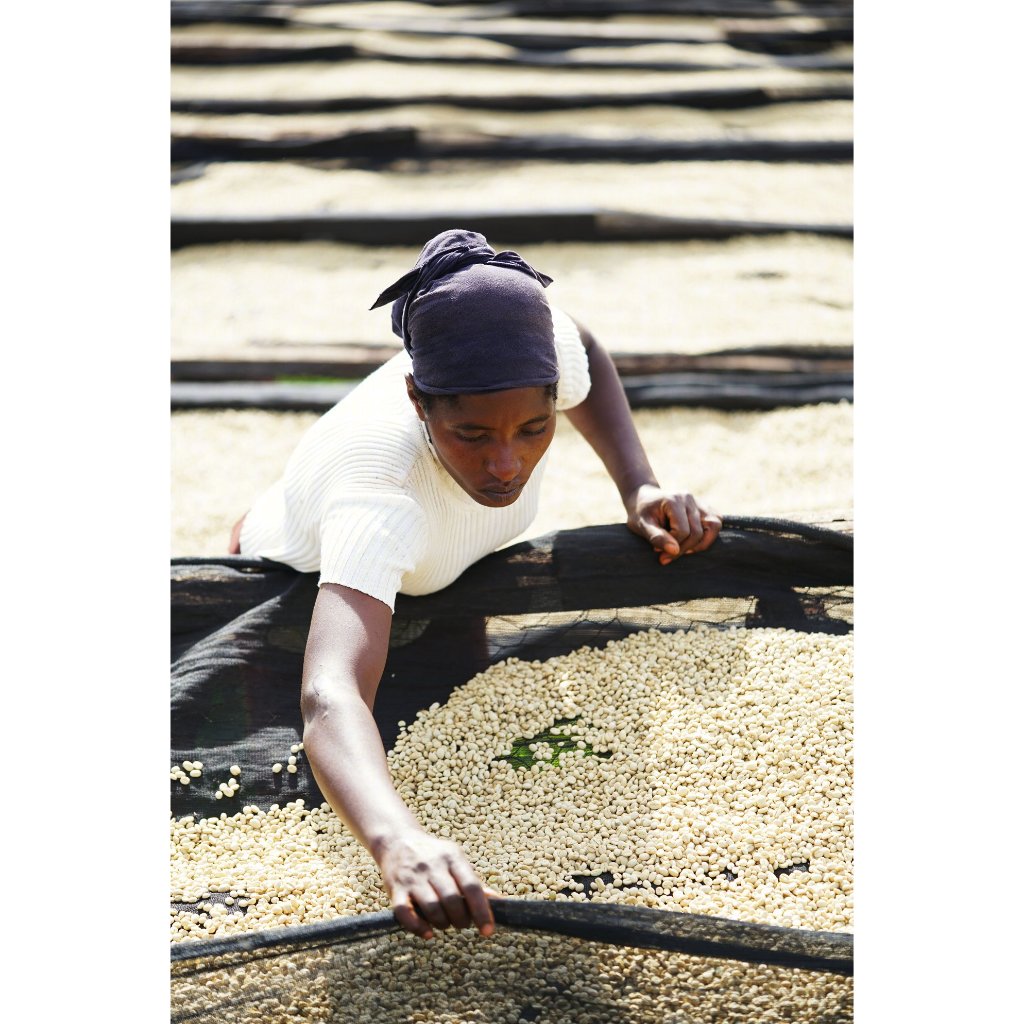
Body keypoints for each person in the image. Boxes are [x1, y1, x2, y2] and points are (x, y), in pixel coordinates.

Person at [229, 229, 721, 942]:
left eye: (534, 428)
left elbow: (582, 343)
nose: (506, 464)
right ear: (417, 399)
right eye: (472, 435)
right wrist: (398, 842)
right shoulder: (379, 495)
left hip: (444, 570)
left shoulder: (540, 346)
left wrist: (638, 485)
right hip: (304, 589)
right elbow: (329, 691)